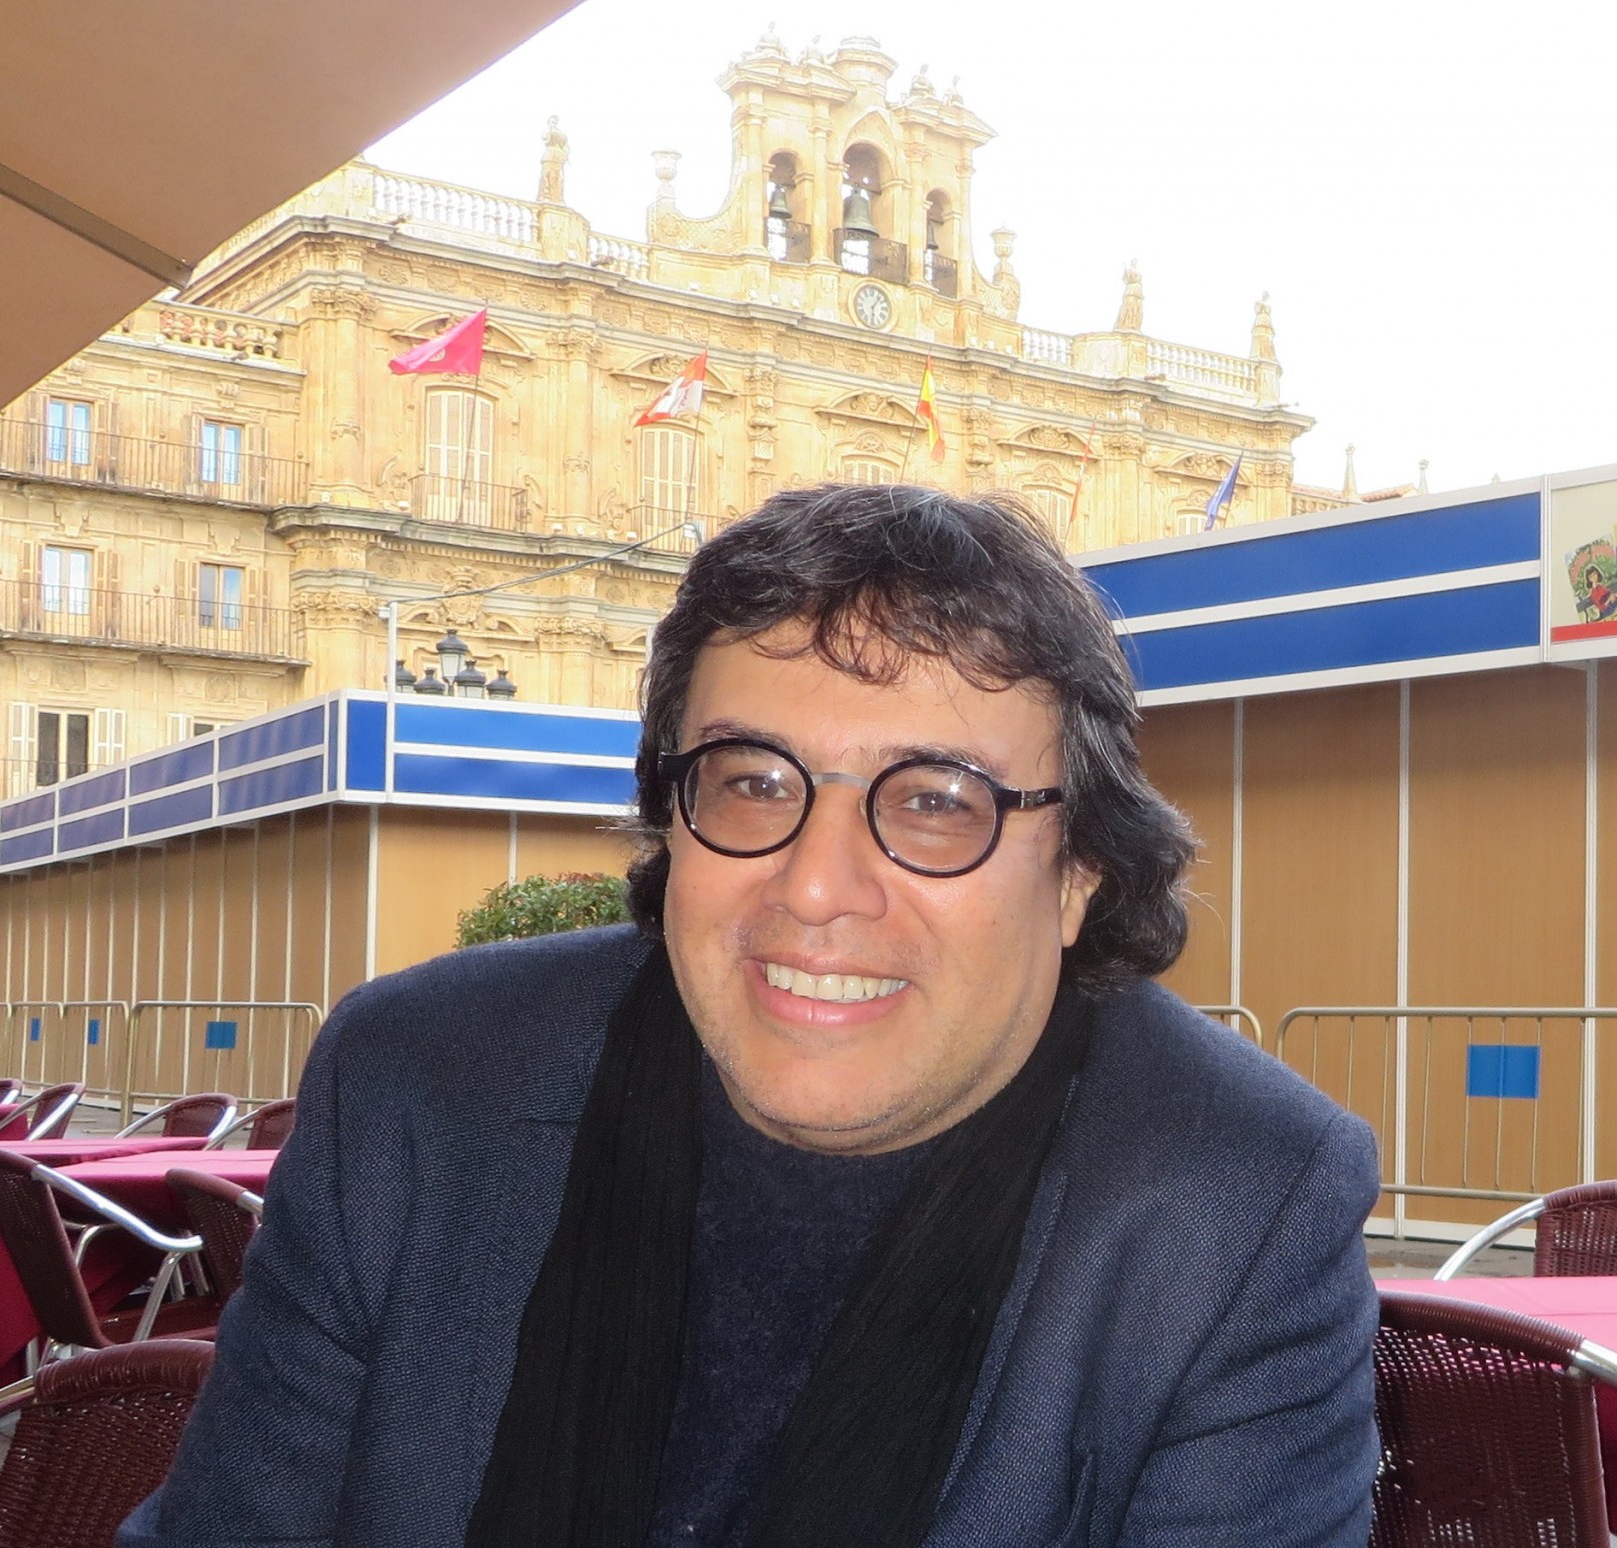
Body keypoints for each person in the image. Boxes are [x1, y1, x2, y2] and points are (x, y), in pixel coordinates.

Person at [119, 484, 1380, 1548]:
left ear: (1078, 876)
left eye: (937, 801)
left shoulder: (1239, 1197)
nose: (816, 886)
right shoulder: (422, 1079)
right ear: (672, 818)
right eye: (752, 781)